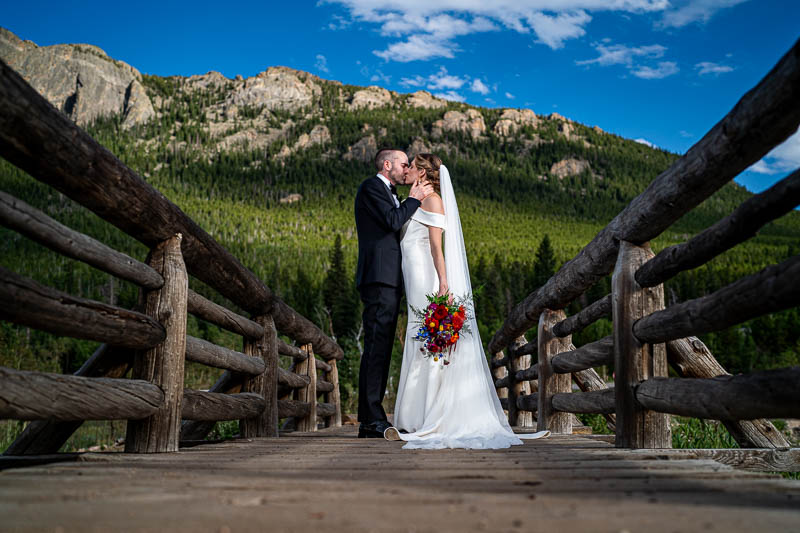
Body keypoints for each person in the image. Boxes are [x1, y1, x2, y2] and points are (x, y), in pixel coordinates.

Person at [385, 154, 550, 448]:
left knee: (427, 338)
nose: (406, 170)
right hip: (412, 278)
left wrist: (444, 282)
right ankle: (416, 413)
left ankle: (429, 413)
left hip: (426, 277)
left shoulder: (432, 200)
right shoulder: (416, 197)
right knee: (417, 336)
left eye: (411, 166)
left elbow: (437, 247)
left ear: (422, 172)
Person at [354, 148, 434, 438]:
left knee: (382, 347)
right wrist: (413, 200)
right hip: (379, 278)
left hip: (388, 279)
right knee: (376, 348)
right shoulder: (371, 187)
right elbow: (391, 221)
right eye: (402, 164)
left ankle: (370, 418)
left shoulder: (387, 191)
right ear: (387, 165)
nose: (405, 169)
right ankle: (372, 419)